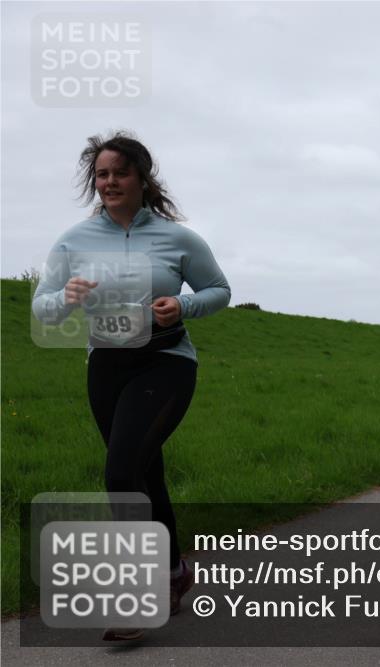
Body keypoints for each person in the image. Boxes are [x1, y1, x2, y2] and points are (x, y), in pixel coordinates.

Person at [32, 132, 231, 641]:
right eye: (102, 174)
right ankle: (174, 572)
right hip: (107, 367)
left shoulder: (177, 238)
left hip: (165, 362)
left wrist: (181, 305)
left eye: (121, 172)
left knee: (121, 470)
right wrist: (68, 298)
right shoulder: (74, 240)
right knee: (145, 472)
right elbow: (42, 307)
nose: (110, 182)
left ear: (142, 179)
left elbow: (219, 291)